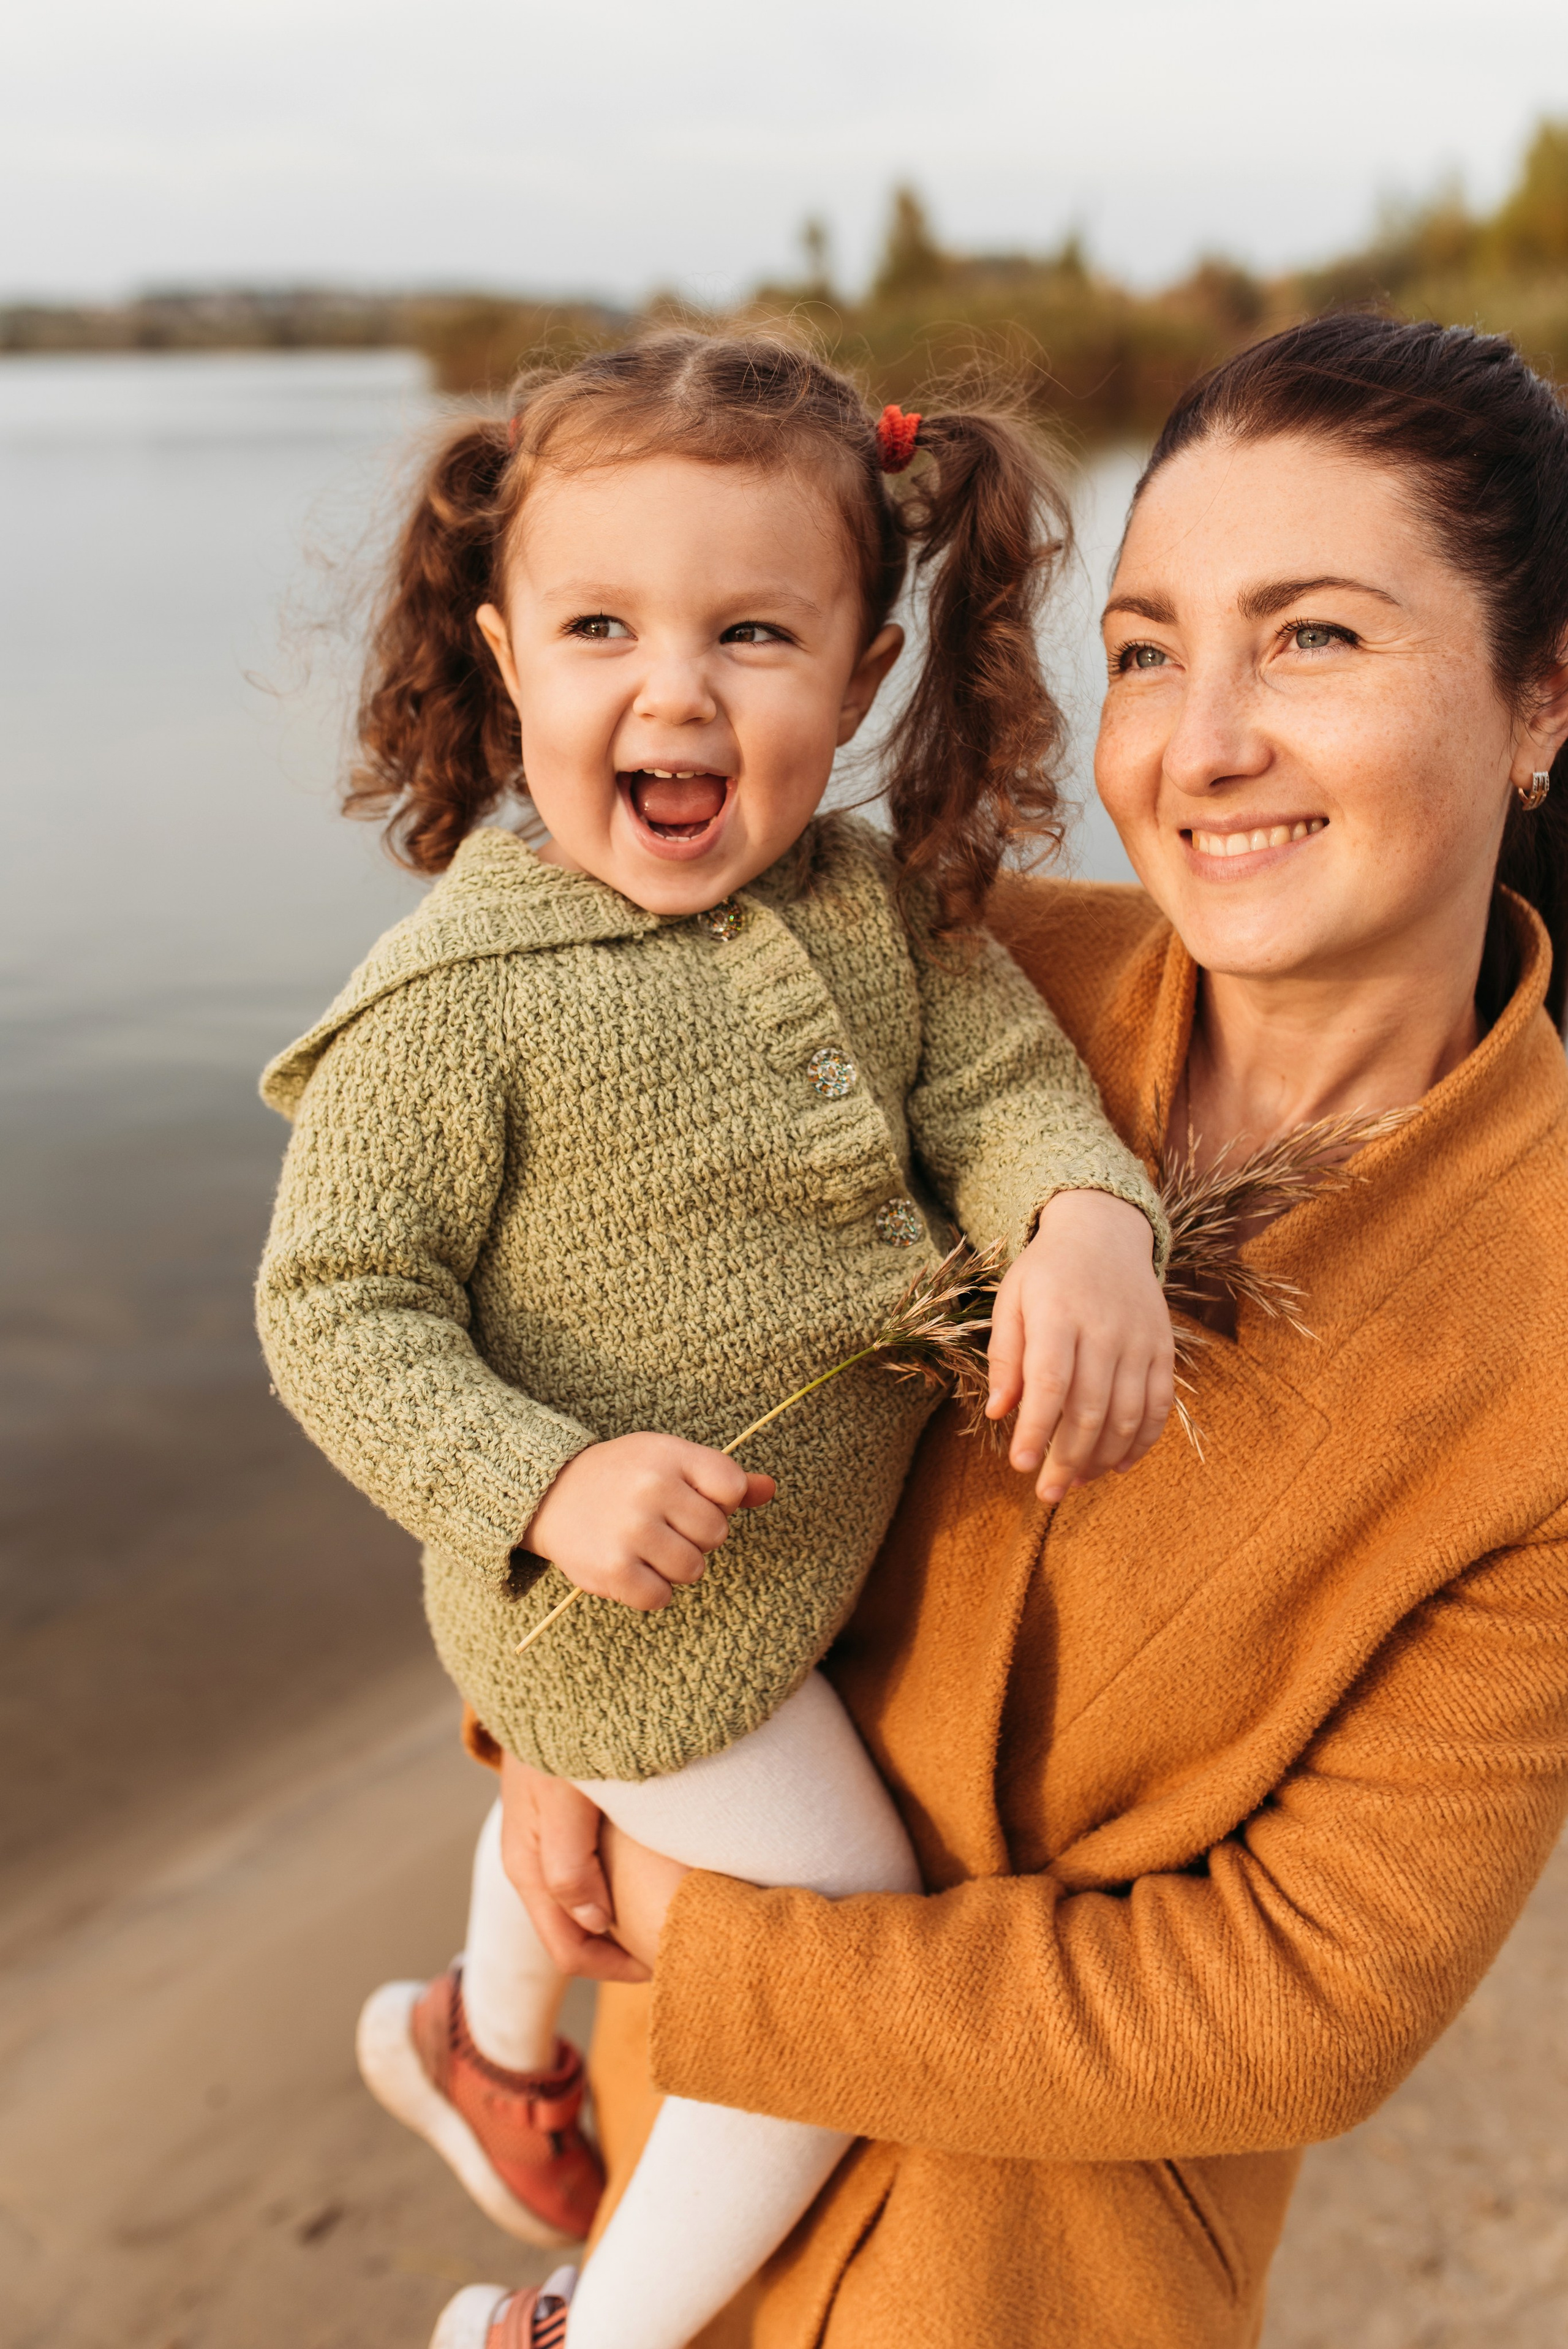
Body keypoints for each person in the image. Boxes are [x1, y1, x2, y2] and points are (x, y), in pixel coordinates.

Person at [497, 314, 1568, 2347]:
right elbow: (580, 1306)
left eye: (1316, 638)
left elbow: (1297, 2001)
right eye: (1150, 648)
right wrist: (541, 1709)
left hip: (1037, 2290)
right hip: (683, 2189)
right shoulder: (949, 976)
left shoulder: (1548, 1340)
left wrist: (685, 1926)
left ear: (1546, 695)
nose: (1198, 740)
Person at [255, 332, 1177, 2349]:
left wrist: (1087, 1212)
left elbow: (1003, 1089)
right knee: (829, 1953)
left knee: (637, 1893)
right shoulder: (457, 997)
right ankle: (584, 2332)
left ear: (858, 680)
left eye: (753, 632)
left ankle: (486, 2043)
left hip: (748, 1569)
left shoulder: (886, 912)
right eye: (602, 626)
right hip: (617, 1602)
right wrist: (547, 1479)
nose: (672, 688)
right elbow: (334, 1307)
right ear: (509, 661)